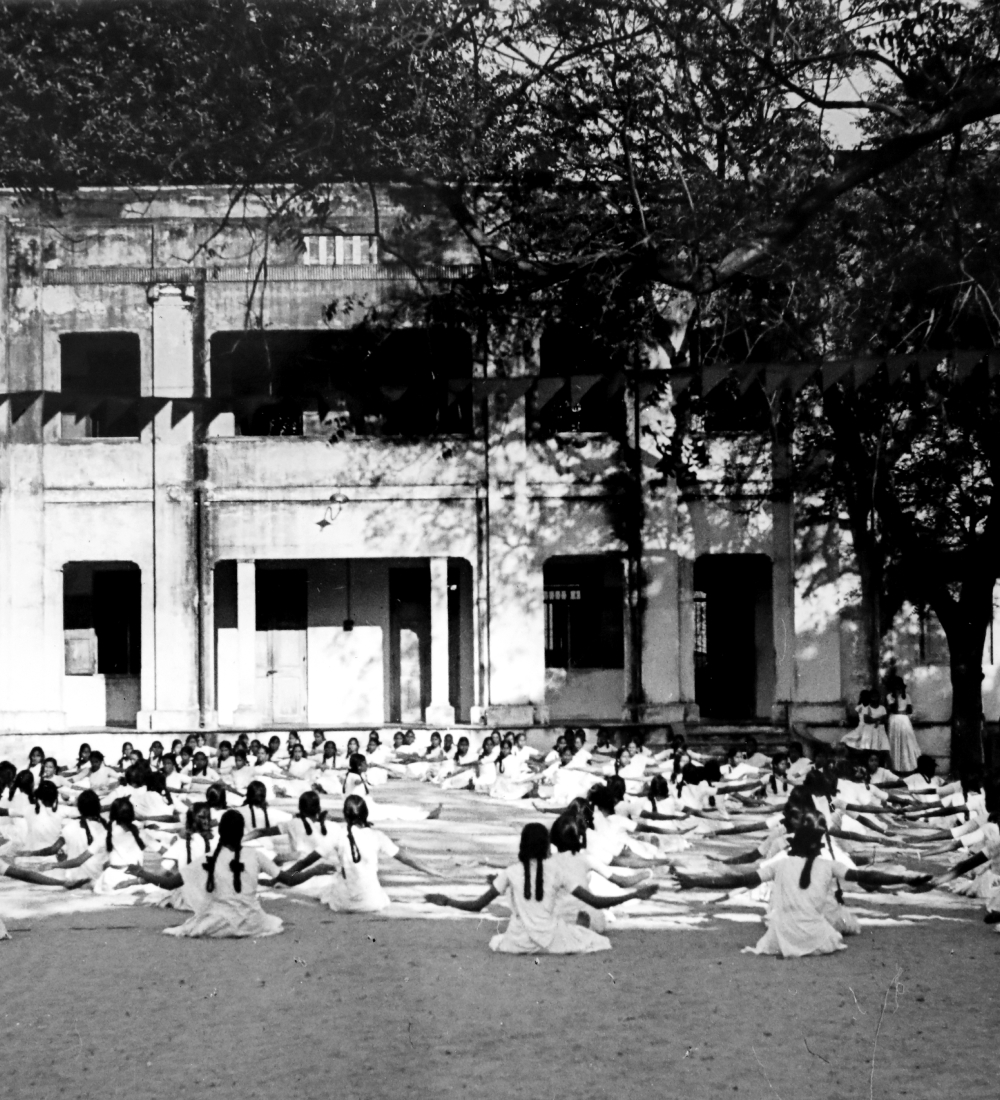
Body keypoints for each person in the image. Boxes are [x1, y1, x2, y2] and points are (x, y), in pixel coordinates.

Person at [426, 822, 658, 953]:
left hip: (516, 942)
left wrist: (447, 900)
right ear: (547, 846)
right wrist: (635, 894)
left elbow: (477, 906)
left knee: (496, 941)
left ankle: (577, 928)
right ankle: (579, 929)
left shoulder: (510, 871)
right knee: (596, 940)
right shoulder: (556, 872)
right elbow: (595, 902)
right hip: (551, 938)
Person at [741, 818, 930, 957]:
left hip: (789, 914)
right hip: (816, 910)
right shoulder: (822, 856)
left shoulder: (788, 857)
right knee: (847, 925)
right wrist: (902, 879)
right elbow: (862, 878)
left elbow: (749, 878)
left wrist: (901, 879)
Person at [133, 810, 326, 939]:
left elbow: (169, 884)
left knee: (189, 927)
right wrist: (314, 871)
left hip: (220, 923)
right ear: (242, 832)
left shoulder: (208, 858)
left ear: (222, 832)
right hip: (253, 921)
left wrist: (142, 873)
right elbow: (289, 880)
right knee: (275, 922)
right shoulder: (255, 855)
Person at [308, 795, 440, 912]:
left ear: (345, 815)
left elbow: (309, 859)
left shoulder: (337, 835)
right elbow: (405, 858)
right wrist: (432, 871)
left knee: (329, 884)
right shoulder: (377, 836)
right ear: (366, 814)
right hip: (373, 903)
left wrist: (291, 874)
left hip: (342, 904)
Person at [885, 672, 920, 773]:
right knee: (896, 742)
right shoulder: (889, 697)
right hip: (894, 720)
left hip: (904, 720)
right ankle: (895, 767)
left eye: (899, 685)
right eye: (895, 685)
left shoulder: (906, 696)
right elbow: (894, 709)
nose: (897, 687)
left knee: (907, 742)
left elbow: (909, 710)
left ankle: (908, 767)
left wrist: (902, 712)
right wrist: (896, 697)